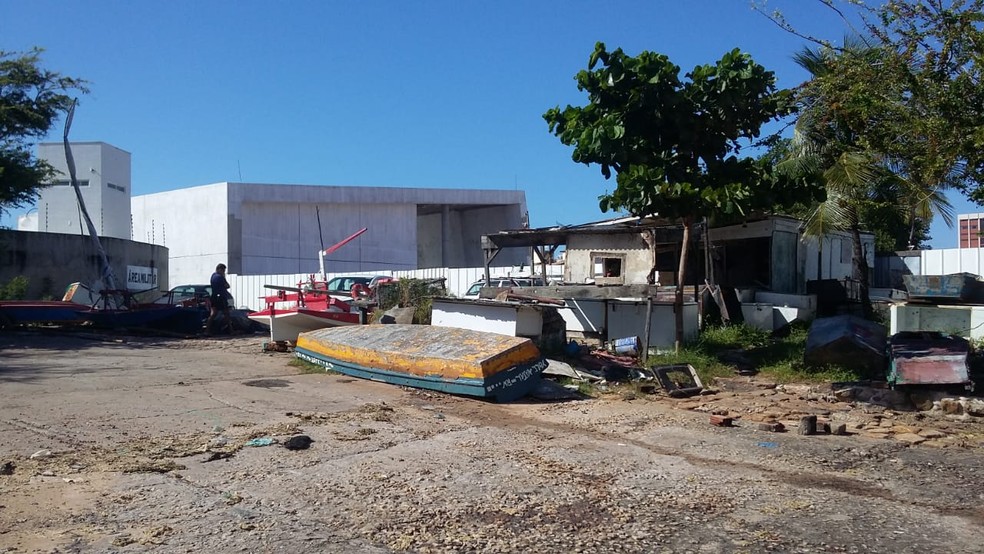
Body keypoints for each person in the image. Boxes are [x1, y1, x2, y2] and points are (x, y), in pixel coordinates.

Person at [206, 263, 234, 335]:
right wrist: (223, 277)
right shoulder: (220, 277)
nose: (224, 272)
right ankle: (231, 330)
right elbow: (227, 286)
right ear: (219, 269)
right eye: (223, 270)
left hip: (214, 296)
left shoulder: (213, 276)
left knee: (213, 314)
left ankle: (207, 331)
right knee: (226, 314)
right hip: (221, 297)